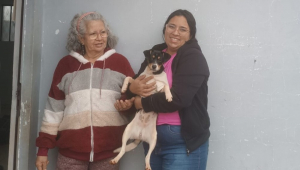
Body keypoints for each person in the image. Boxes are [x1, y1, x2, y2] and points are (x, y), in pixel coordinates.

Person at [35, 11, 136, 170]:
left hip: (109, 152)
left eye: (103, 32)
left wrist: (127, 104)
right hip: (70, 153)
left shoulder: (120, 63)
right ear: (81, 38)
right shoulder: (66, 65)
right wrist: (43, 149)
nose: (100, 38)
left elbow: (134, 99)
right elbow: (53, 110)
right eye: (93, 34)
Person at [128, 9, 210, 170]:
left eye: (183, 29)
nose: (175, 32)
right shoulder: (155, 54)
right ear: (165, 29)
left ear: (191, 35)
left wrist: (141, 103)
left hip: (182, 143)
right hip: (151, 139)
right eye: (171, 26)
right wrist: (132, 87)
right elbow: (137, 85)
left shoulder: (193, 58)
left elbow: (179, 98)